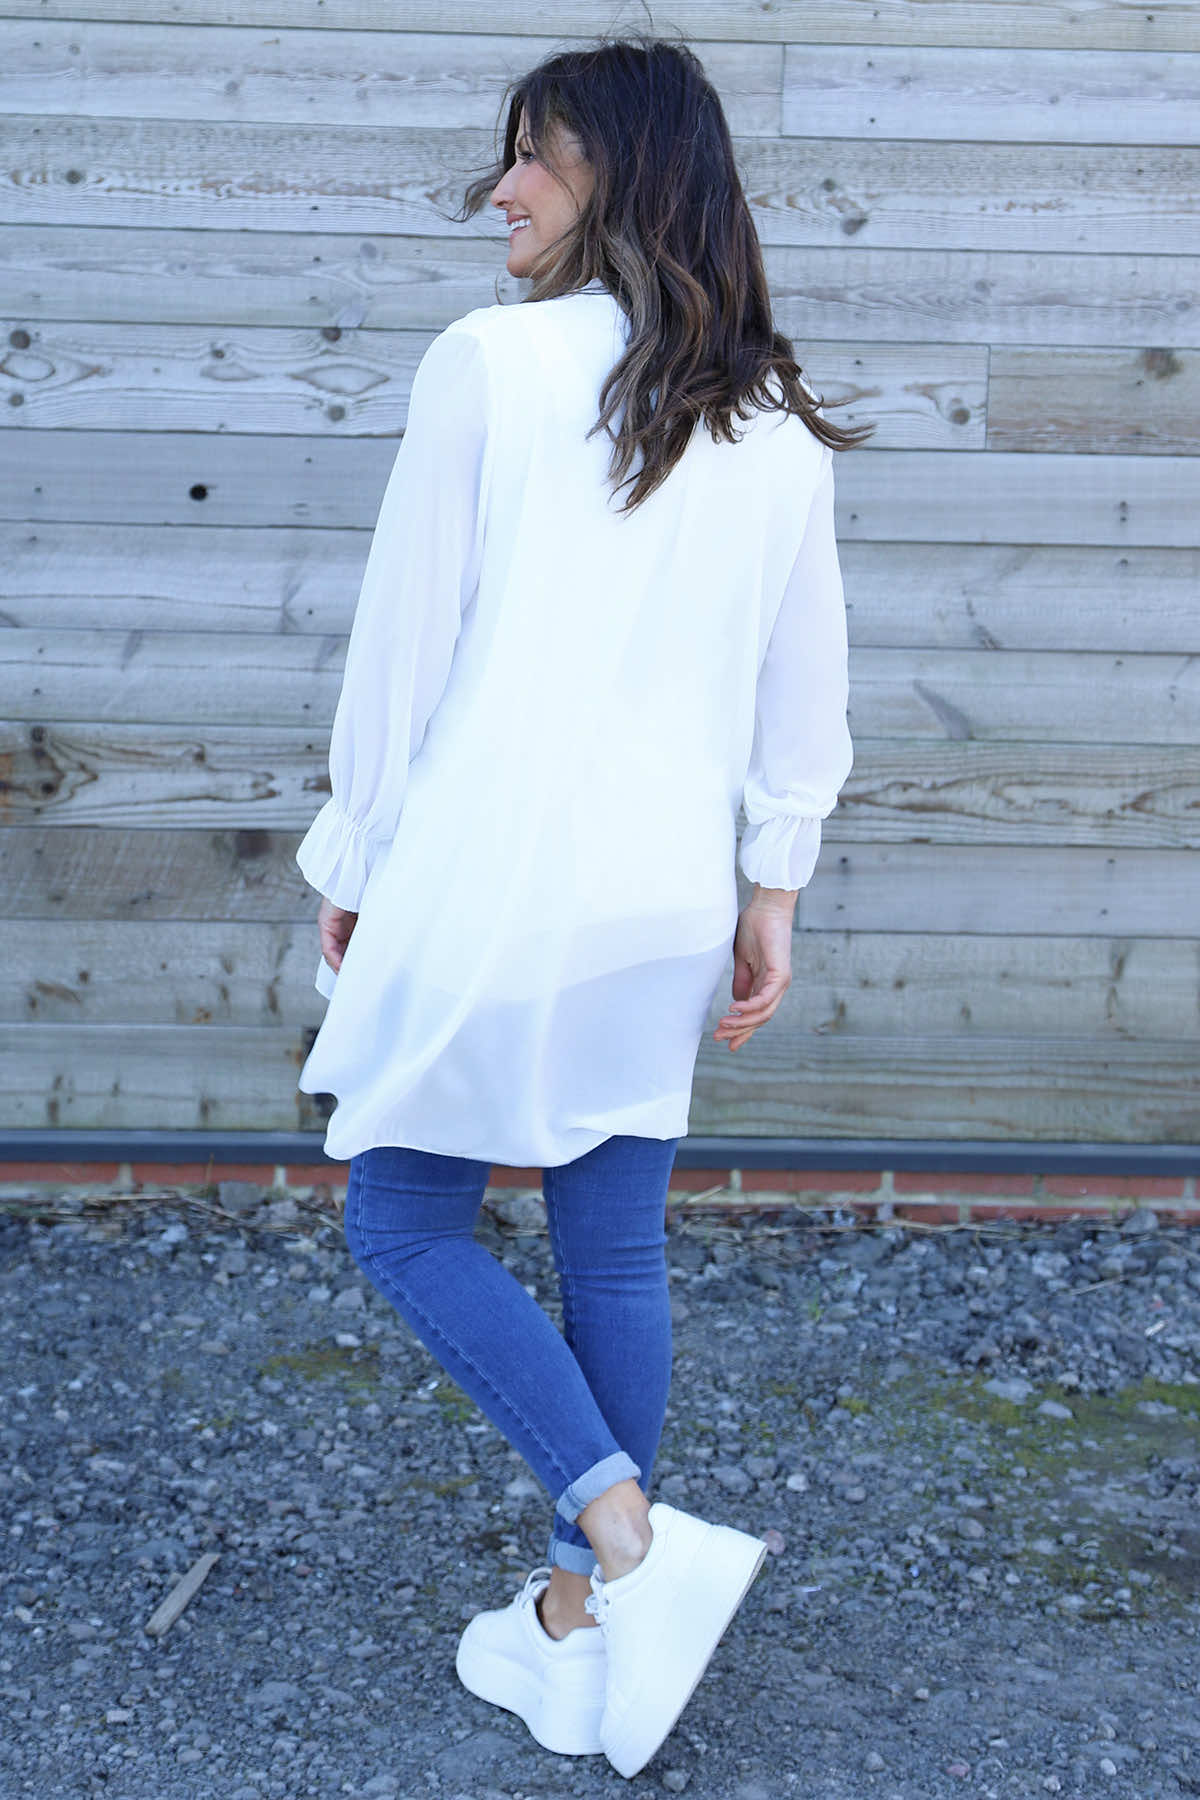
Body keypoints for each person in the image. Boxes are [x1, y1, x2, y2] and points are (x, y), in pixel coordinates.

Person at [293, 33, 870, 1781]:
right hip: (664, 899)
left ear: (625, 174)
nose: (503, 190)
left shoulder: (492, 363)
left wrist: (354, 860)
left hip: (494, 877)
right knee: (611, 1246)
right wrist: (775, 891)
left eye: (537, 155)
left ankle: (623, 1538)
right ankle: (575, 1627)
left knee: (403, 1221)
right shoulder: (772, 419)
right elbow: (805, 689)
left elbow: (402, 649)